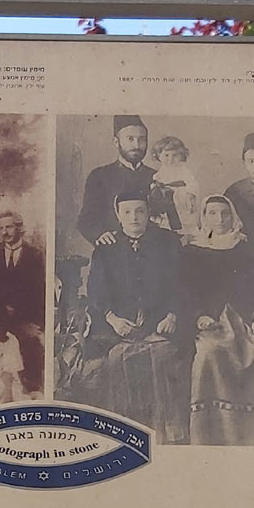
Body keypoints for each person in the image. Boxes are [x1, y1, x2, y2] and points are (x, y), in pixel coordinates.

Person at [184, 195, 254, 446]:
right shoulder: (192, 250)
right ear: (204, 217)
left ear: (233, 215)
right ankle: (215, 434)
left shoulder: (249, 248)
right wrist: (198, 316)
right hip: (211, 321)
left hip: (248, 318)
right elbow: (186, 291)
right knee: (209, 353)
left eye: (225, 213)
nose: (220, 219)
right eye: (212, 213)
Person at [81, 186, 188, 443]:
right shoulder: (106, 247)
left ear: (149, 212)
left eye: (140, 211)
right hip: (119, 324)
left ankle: (167, 433)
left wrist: (172, 315)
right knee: (118, 360)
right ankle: (125, 432)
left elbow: (180, 282)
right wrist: (112, 318)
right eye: (127, 212)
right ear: (118, 215)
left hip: (160, 321)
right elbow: (96, 290)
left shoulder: (167, 241)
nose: (134, 217)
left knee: (163, 356)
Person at [0, 210, 45, 393]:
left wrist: (19, 312)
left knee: (30, 340)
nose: (5, 232)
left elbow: (36, 291)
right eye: (1, 228)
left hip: (23, 315)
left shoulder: (35, 255)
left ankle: (29, 387)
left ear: (19, 228)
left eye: (9, 227)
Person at [77, 114, 156, 245]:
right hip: (114, 252)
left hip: (152, 251)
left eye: (142, 139)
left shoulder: (156, 176)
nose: (137, 145)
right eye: (130, 139)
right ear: (116, 142)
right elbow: (86, 220)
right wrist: (100, 234)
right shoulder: (100, 176)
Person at [149, 135, 200, 237]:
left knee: (185, 221)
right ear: (158, 156)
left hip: (182, 199)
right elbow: (156, 185)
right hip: (167, 201)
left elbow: (193, 184)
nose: (170, 159)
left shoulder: (183, 171)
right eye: (166, 155)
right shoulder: (159, 174)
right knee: (166, 222)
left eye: (175, 155)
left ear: (181, 155)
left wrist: (190, 196)